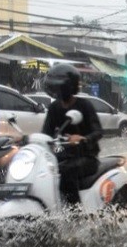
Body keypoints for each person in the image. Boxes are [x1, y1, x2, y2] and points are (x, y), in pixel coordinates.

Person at [41, 63, 102, 205]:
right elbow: (46, 133)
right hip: (62, 155)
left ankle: (74, 212)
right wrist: (28, 140)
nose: (57, 91)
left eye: (60, 87)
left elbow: (98, 131)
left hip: (86, 157)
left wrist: (83, 139)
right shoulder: (54, 107)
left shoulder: (84, 105)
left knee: (65, 172)